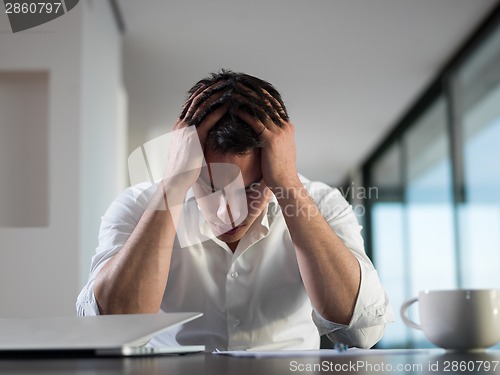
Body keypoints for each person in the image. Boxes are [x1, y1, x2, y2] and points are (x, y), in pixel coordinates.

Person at [76, 70, 393, 351]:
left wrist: (286, 184)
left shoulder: (321, 203)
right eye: (212, 188)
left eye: (253, 188)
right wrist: (173, 186)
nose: (230, 212)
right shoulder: (137, 207)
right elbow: (109, 331)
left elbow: (361, 332)